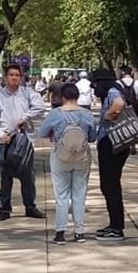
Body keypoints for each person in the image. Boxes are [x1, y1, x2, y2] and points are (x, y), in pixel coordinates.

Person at [37, 83, 96, 244]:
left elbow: (41, 132)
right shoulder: (87, 114)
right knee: (79, 194)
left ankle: (60, 232)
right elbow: (92, 138)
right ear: (77, 96)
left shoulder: (55, 114)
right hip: (82, 158)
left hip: (60, 157)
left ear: (62, 97)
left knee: (61, 195)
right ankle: (79, 232)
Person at [0, 63, 47, 221]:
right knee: (6, 174)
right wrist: (0, 133)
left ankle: (30, 206)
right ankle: (5, 209)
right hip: (5, 140)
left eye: (17, 75)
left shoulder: (27, 93)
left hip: (24, 138)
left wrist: (26, 117)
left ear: (21, 77)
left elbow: (40, 107)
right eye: (11, 75)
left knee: (28, 174)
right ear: (6, 77)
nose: (14, 78)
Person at [93, 68, 131, 241]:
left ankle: (116, 228)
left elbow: (119, 105)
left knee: (110, 185)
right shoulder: (111, 91)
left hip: (112, 144)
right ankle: (114, 224)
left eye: (95, 83)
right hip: (112, 143)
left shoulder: (113, 91)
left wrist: (108, 115)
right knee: (109, 185)